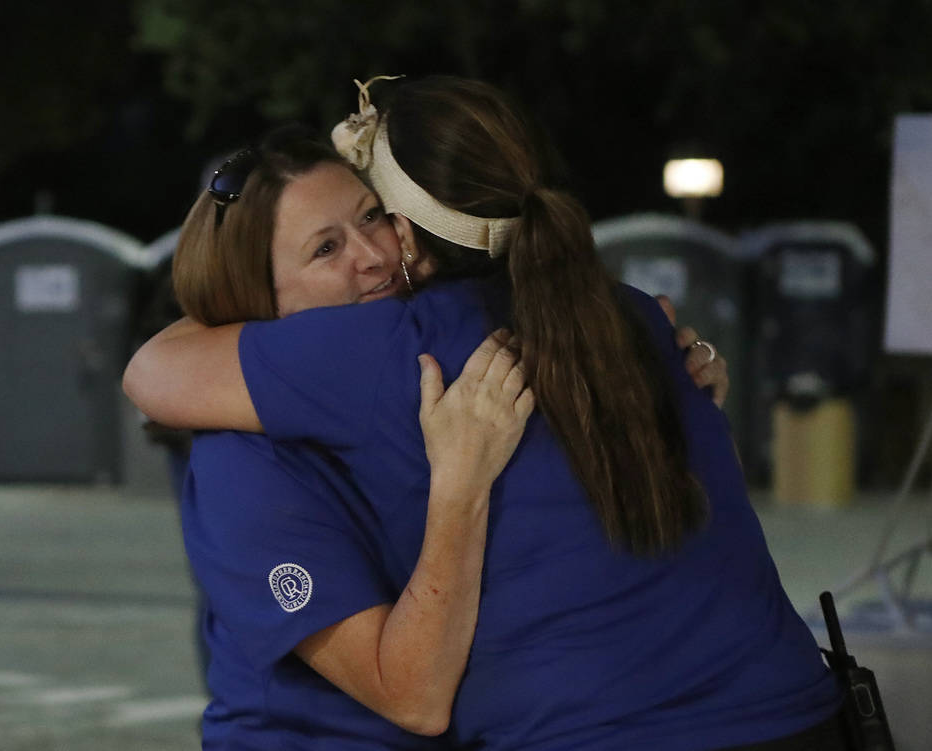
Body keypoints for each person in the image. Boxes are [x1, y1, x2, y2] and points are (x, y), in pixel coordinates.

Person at [125, 76, 841, 750]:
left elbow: (154, 370)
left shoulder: (402, 348)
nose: (373, 254)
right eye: (326, 248)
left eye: (372, 216)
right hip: (799, 709)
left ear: (409, 223)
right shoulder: (618, 314)